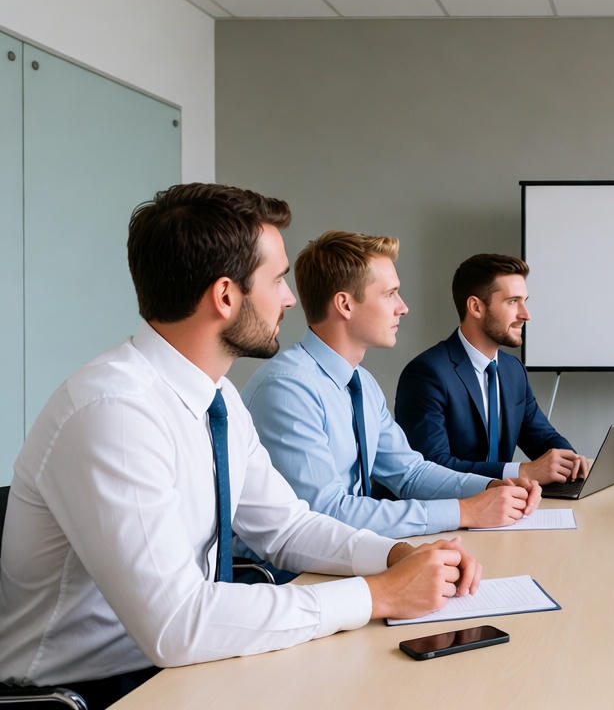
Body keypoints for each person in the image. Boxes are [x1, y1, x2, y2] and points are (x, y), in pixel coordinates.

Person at [0, 184, 481, 708]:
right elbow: (177, 624)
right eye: (276, 280)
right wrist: (378, 594)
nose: (291, 298)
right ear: (226, 296)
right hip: (91, 694)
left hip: (182, 667)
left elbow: (286, 526)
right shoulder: (112, 412)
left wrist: (394, 555)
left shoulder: (216, 396)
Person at [242, 231, 541, 538]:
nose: (403, 307)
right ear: (345, 305)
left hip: (345, 553)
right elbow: (327, 513)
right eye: (390, 294)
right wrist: (466, 510)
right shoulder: (288, 389)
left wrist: (493, 487)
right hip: (286, 576)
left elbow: (410, 473)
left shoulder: (362, 384)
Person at [396, 254, 587, 484]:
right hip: (452, 513)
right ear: (476, 307)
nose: (526, 314)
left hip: (506, 507)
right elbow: (433, 467)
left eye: (525, 301)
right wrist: (522, 472)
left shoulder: (512, 370)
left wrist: (571, 460)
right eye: (513, 301)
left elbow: (543, 437)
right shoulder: (427, 373)